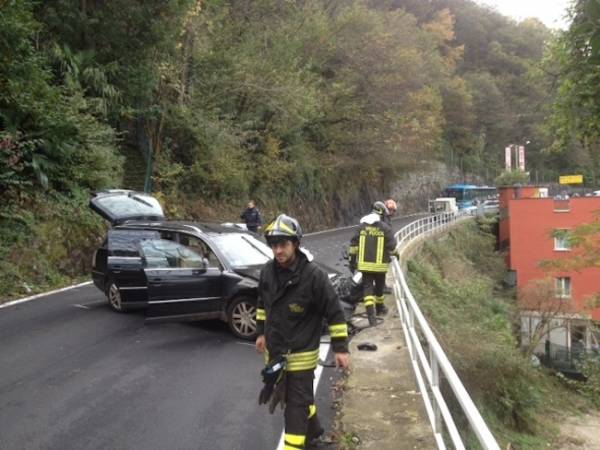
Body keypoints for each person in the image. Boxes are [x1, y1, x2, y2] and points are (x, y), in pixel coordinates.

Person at [255, 214, 351, 450]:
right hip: (275, 355)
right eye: (274, 245)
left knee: (295, 408)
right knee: (294, 400)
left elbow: (334, 313)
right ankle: (315, 430)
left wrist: (340, 349)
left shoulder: (313, 277)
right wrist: (260, 333)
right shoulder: (267, 272)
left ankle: (295, 445)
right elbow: (261, 305)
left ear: (296, 244)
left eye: (283, 245)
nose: (278, 250)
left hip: (301, 358)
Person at [349, 201, 398, 326]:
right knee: (379, 289)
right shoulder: (385, 228)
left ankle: (371, 318)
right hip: (380, 267)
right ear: (382, 214)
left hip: (365, 266)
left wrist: (352, 262)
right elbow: (392, 246)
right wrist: (396, 254)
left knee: (368, 290)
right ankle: (380, 308)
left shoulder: (361, 227)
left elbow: (353, 246)